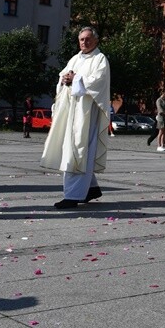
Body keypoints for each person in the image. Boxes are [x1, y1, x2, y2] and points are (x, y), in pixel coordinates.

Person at [41, 26, 111, 209]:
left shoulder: (100, 59)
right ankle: (91, 189)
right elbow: (63, 76)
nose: (84, 42)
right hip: (73, 111)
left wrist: (76, 79)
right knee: (76, 150)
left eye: (88, 39)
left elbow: (98, 81)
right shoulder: (75, 58)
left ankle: (72, 196)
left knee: (78, 150)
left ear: (95, 41)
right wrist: (64, 80)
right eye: (81, 39)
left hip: (87, 113)